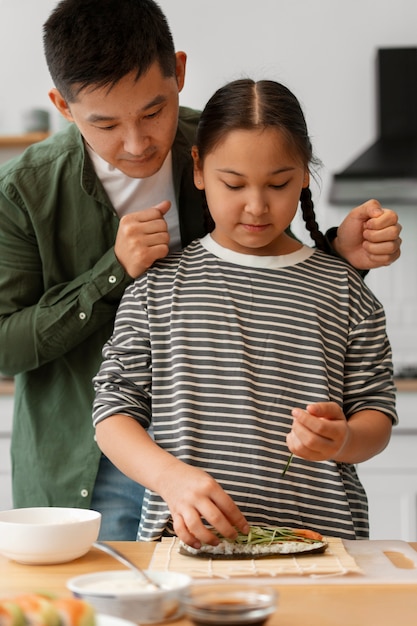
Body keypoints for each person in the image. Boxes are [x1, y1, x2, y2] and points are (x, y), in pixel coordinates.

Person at [0, 0, 400, 541]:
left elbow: (273, 272)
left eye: (152, 112)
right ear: (63, 107)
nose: (138, 142)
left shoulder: (221, 139)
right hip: (89, 459)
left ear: (179, 74)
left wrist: (337, 255)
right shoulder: (23, 191)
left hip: (300, 507)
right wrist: (112, 273)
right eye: (107, 124)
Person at [92, 78, 397, 545]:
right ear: (198, 168)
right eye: (233, 184)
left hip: (322, 549)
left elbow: (376, 414)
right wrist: (171, 479)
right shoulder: (157, 286)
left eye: (279, 183)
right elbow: (112, 414)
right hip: (188, 546)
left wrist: (343, 441)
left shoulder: (344, 290)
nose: (256, 206)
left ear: (304, 175)